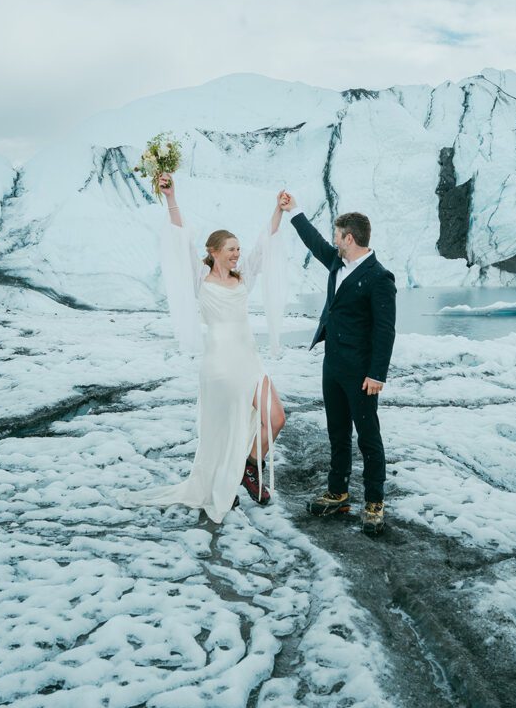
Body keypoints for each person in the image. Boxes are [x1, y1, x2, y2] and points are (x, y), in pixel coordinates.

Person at [121, 172, 287, 524]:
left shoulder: (243, 277)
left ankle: (248, 467)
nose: (237, 256)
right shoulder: (201, 280)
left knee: (275, 418)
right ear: (213, 253)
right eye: (231, 250)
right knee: (222, 430)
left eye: (237, 250)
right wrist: (171, 197)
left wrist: (279, 211)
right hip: (219, 365)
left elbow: (264, 246)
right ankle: (221, 483)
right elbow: (181, 239)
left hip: (249, 361)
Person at [280, 192, 396, 535]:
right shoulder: (337, 263)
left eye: (337, 235)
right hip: (333, 364)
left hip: (362, 372)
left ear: (349, 238)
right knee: (337, 432)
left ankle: (374, 501)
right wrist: (294, 210)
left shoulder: (379, 278)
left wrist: (377, 373)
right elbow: (314, 243)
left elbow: (385, 330)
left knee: (368, 436)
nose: (333, 240)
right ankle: (338, 492)